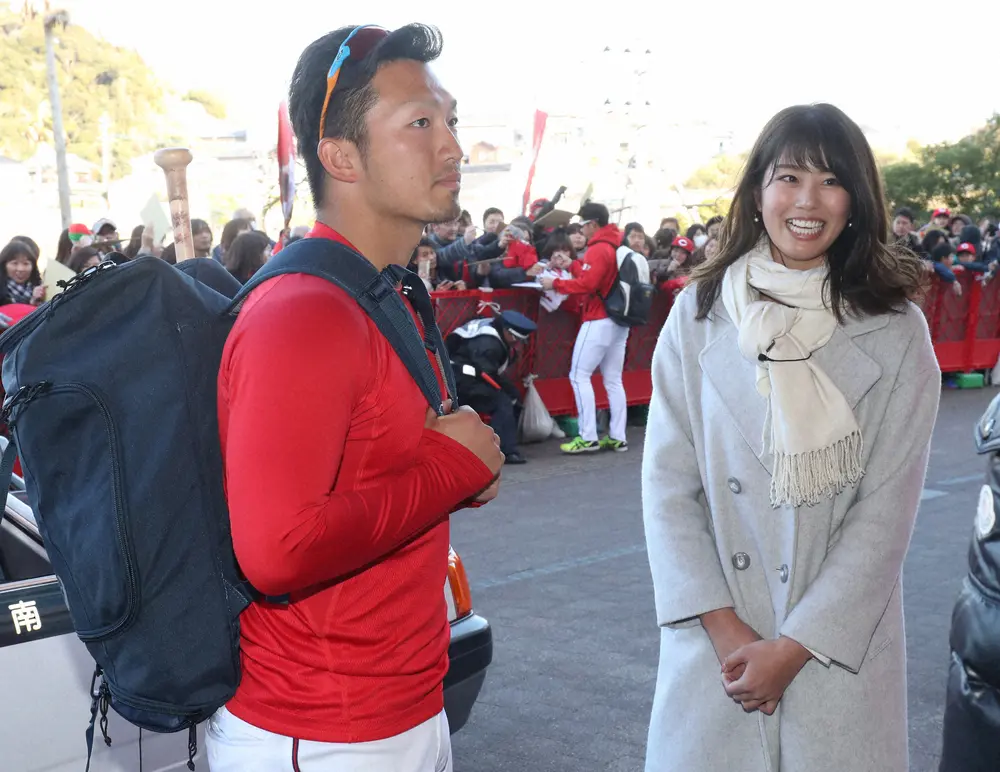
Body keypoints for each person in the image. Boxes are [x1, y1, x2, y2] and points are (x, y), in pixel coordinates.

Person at [206, 23, 503, 772]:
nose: (453, 148)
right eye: (420, 124)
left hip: (397, 709)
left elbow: (384, 472)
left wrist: (450, 466)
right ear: (340, 156)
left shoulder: (381, 293)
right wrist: (451, 469)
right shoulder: (304, 310)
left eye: (451, 121)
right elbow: (277, 550)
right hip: (322, 733)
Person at [642, 103, 936, 772]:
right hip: (720, 653)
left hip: (836, 656)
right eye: (789, 177)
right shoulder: (700, 312)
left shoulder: (896, 331)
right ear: (756, 192)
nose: (808, 200)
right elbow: (667, 488)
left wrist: (793, 647)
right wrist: (726, 630)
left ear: (857, 199)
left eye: (831, 181)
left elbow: (884, 517)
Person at [539, 201, 629, 454]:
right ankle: (618, 436)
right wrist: (572, 265)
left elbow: (587, 285)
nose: (581, 230)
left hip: (598, 318)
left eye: (583, 225)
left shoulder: (599, 247)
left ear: (592, 224)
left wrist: (554, 283)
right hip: (619, 320)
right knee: (613, 380)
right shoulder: (614, 243)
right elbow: (596, 278)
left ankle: (587, 436)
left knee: (579, 376)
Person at [447, 310, 537, 465]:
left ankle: (502, 441)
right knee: (502, 404)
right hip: (462, 379)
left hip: (460, 373)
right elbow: (488, 374)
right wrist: (507, 393)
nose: (517, 344)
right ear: (509, 333)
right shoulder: (489, 344)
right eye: (516, 340)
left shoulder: (491, 328)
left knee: (511, 396)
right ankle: (504, 451)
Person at [0, 239, 45, 306]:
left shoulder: (40, 288)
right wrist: (30, 302)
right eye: (14, 263)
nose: (21, 269)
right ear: (4, 265)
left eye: (26, 263)